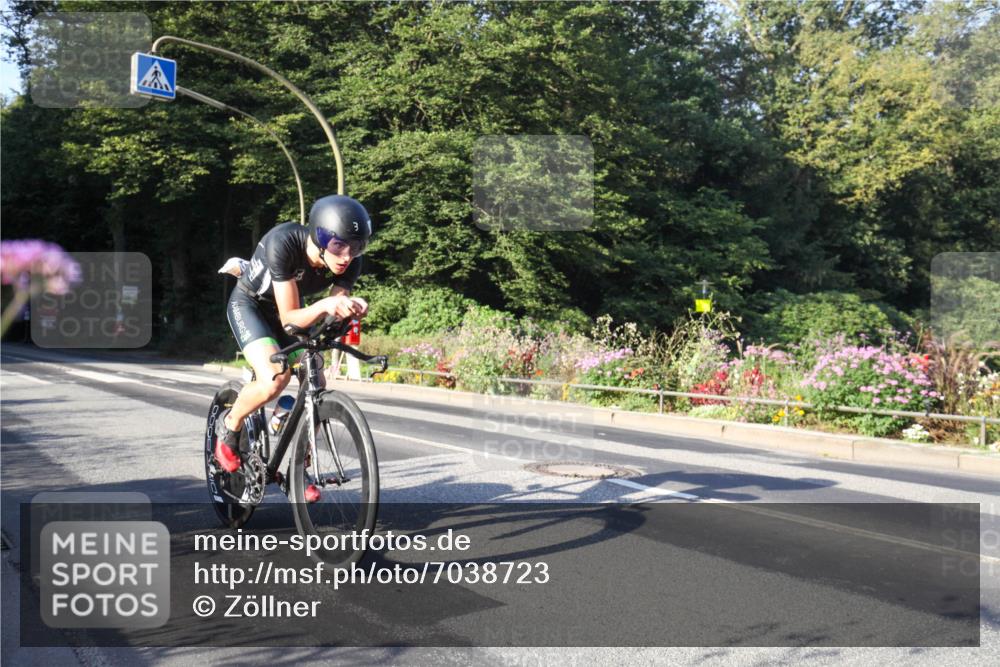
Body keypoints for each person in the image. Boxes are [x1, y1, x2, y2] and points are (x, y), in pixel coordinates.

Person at [214, 194, 372, 483]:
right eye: (338, 245)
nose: (347, 256)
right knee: (275, 378)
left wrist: (349, 309)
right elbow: (288, 317)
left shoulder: (351, 262)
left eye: (356, 247)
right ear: (319, 236)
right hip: (252, 306)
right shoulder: (284, 242)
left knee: (316, 381)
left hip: (293, 312)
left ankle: (300, 469)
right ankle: (230, 423)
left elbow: (331, 313)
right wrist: (326, 305)